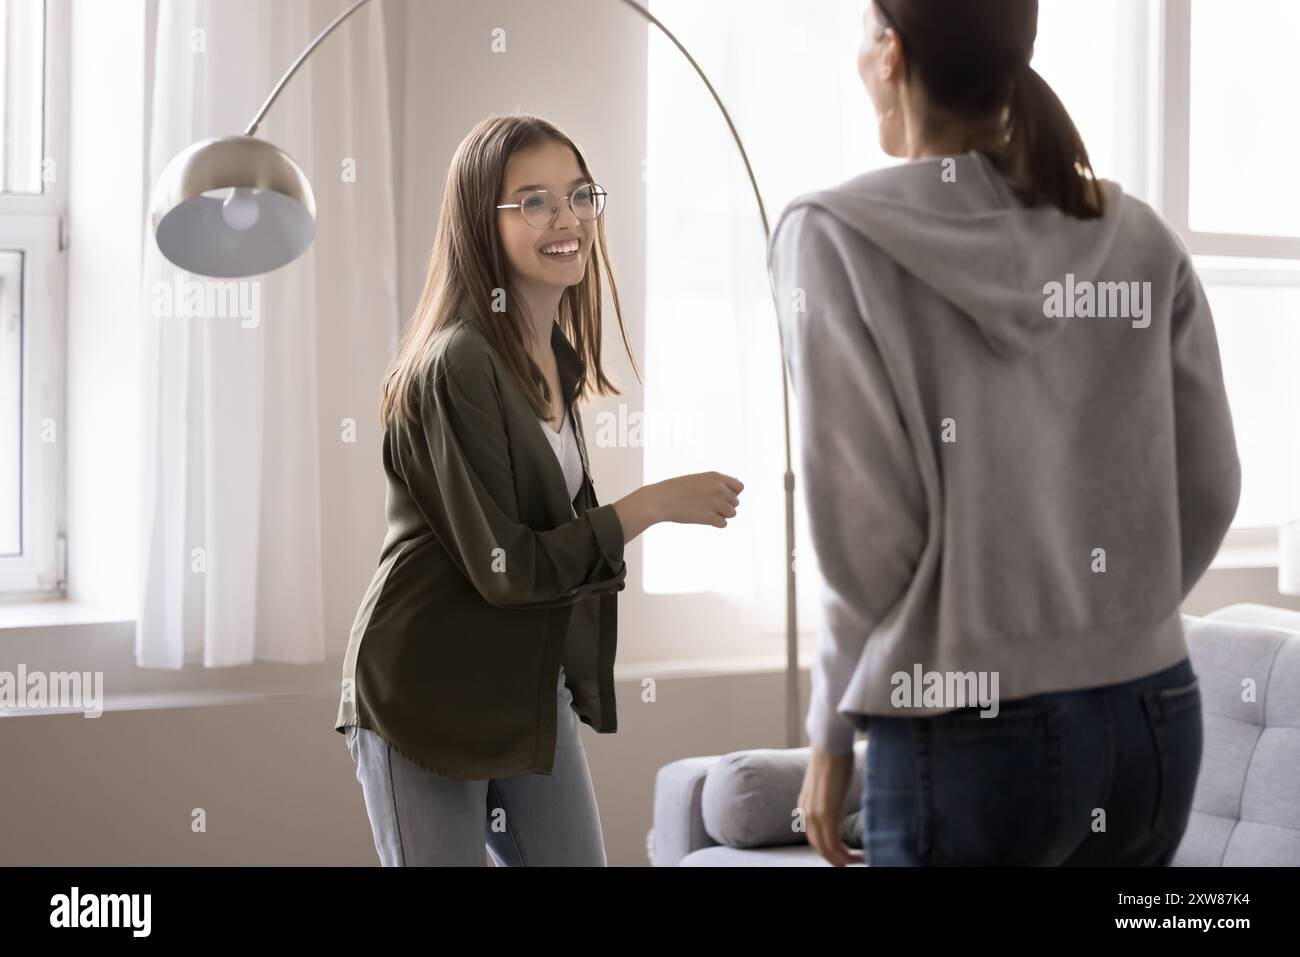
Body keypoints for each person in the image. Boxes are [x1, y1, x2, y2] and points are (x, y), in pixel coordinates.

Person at [768, 0, 1239, 866]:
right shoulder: (1138, 235)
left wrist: (830, 735)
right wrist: (1109, 623)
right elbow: (1211, 487)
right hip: (1154, 718)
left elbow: (864, 541)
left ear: (890, 52)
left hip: (968, 728)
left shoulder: (834, 237)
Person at [336, 114, 743, 866]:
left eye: (580, 195)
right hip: (424, 690)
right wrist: (647, 507)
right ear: (480, 225)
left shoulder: (552, 354)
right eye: (534, 202)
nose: (567, 219)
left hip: (524, 684)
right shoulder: (457, 363)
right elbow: (508, 567)